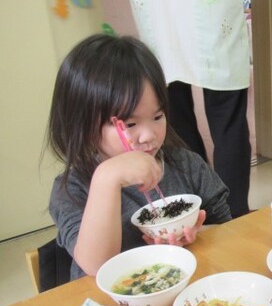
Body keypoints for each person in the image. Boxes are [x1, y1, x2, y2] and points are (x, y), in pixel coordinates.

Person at [89, 0, 272, 218]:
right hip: (211, 1)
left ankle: (196, 210)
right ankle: (229, 215)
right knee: (227, 122)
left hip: (157, 7)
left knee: (173, 119)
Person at [46, 34, 232, 281]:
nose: (148, 136)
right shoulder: (72, 188)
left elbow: (228, 229)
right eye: (130, 124)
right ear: (84, 125)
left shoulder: (188, 166)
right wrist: (106, 178)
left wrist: (196, 235)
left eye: (157, 117)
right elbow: (96, 266)